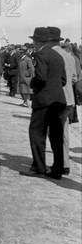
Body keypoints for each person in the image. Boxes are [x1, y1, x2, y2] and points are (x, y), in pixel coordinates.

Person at [21, 27, 67, 179]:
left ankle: (39, 167)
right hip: (59, 100)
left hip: (44, 102)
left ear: (36, 41)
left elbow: (40, 77)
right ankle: (58, 169)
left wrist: (32, 83)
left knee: (36, 133)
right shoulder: (58, 56)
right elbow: (63, 80)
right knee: (56, 136)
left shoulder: (41, 54)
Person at [49, 27, 76, 176]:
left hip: (56, 99)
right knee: (64, 132)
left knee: (54, 134)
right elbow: (74, 78)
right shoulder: (69, 56)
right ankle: (65, 164)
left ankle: (58, 166)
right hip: (69, 99)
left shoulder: (51, 55)